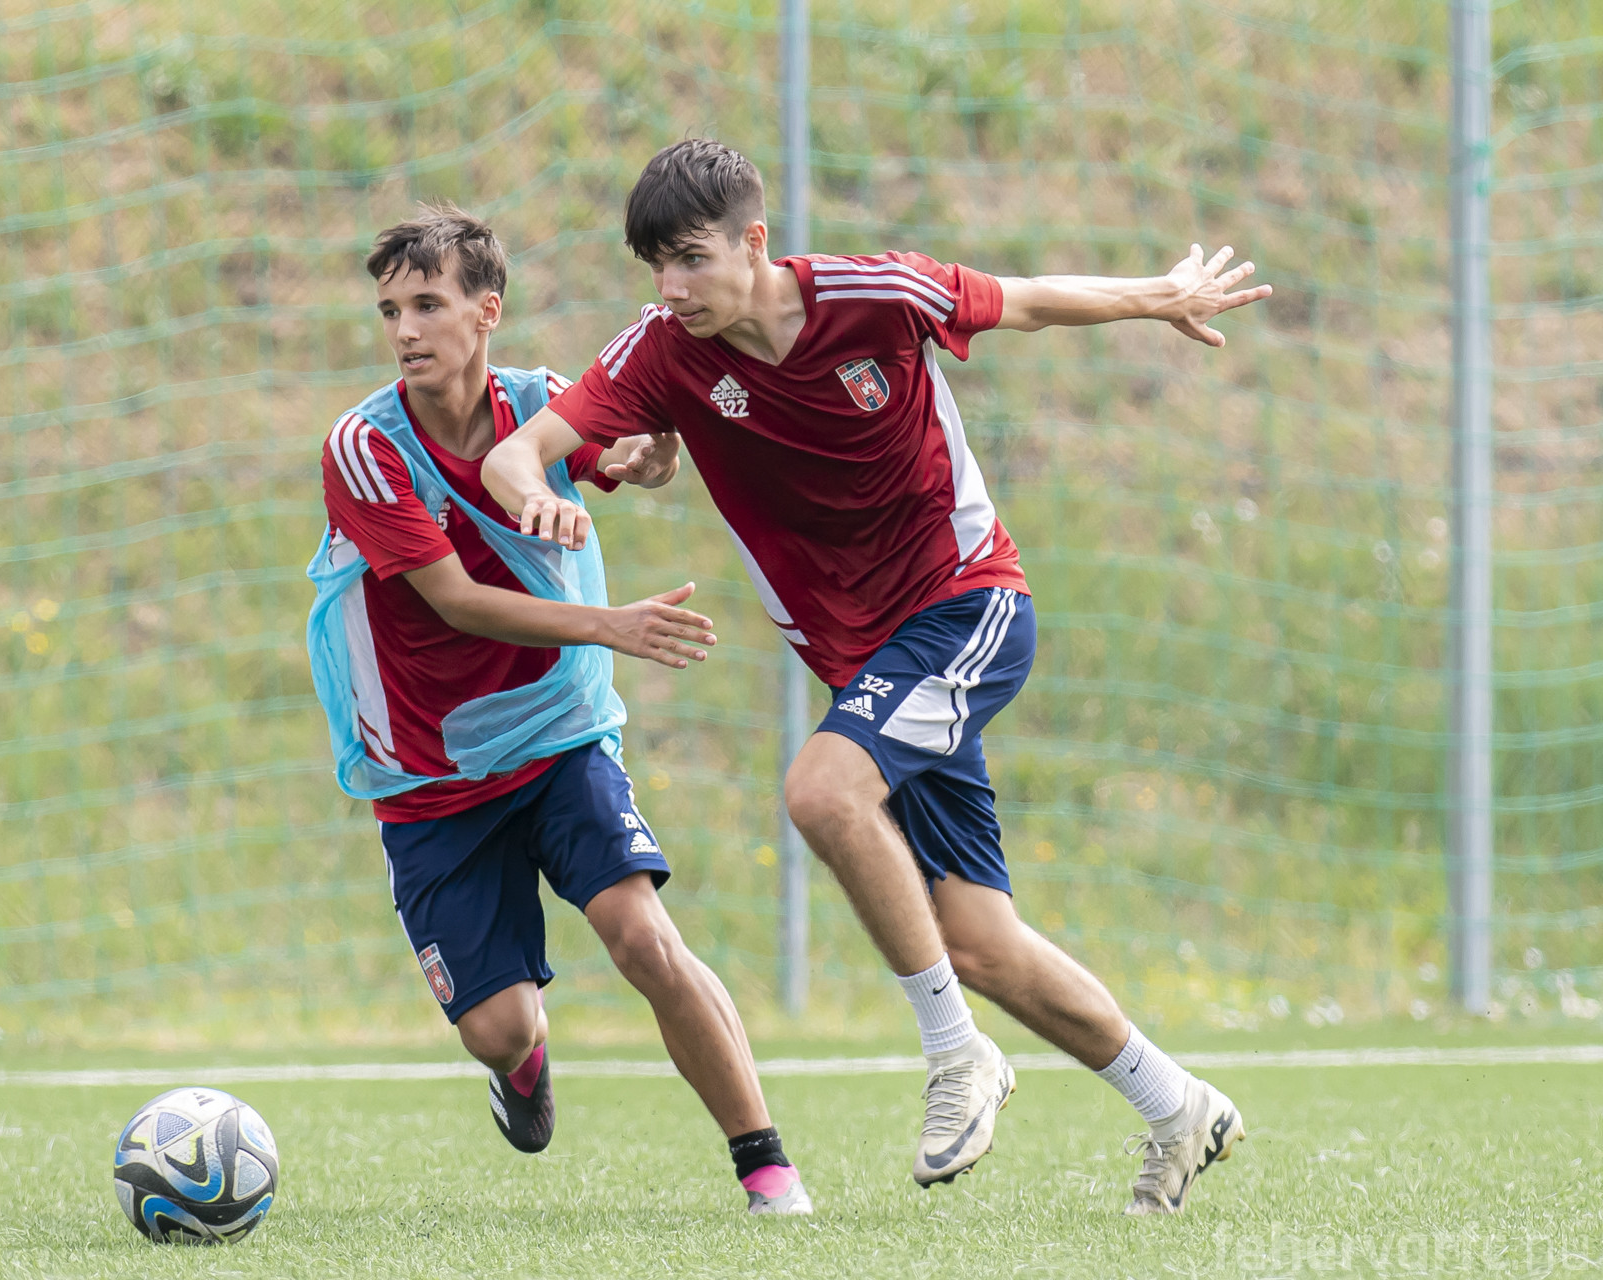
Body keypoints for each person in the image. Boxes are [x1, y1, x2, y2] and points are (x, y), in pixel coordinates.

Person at [480, 140, 1271, 1215]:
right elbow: (516, 453)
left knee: (822, 791)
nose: (672, 286)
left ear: (755, 243)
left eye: (691, 258)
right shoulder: (665, 351)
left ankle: (957, 1055)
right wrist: (539, 492)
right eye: (655, 265)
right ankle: (1179, 1106)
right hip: (872, 670)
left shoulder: (877, 294)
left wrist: (1160, 295)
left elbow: (1027, 301)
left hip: (967, 602)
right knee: (982, 942)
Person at [305, 204, 811, 1215]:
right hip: (432, 774)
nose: (406, 329)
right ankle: (522, 1061)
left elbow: (629, 450)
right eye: (391, 311)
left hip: (558, 737)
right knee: (499, 1026)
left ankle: (767, 1169)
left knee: (643, 935)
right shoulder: (364, 446)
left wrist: (644, 457)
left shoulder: (538, 405)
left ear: (486, 311)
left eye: (428, 304)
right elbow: (453, 598)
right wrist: (609, 624)